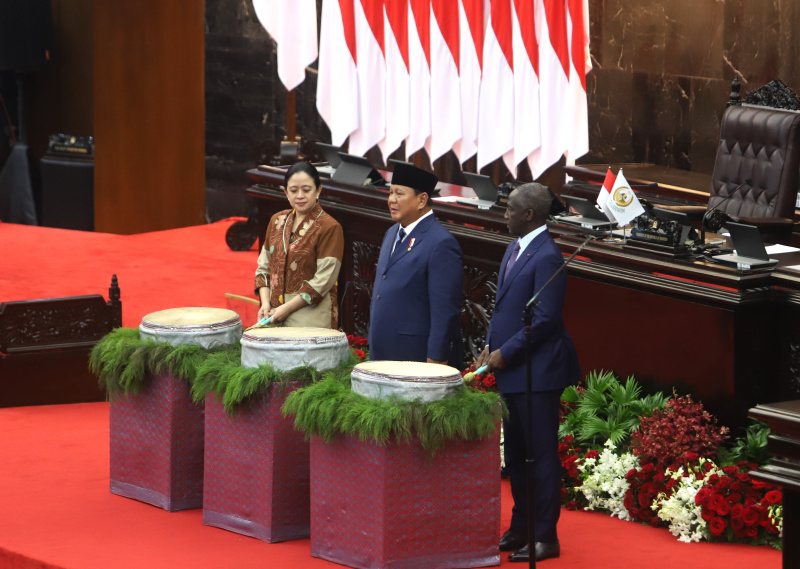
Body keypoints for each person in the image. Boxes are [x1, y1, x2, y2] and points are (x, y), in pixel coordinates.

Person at [477, 182, 580, 563]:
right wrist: (492, 345)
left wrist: (508, 351)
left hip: (536, 374)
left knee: (539, 456)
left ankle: (545, 536)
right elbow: (505, 307)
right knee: (517, 456)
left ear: (529, 215)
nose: (504, 215)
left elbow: (547, 320)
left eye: (510, 210)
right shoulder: (515, 247)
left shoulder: (548, 256)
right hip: (511, 370)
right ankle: (520, 526)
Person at [368, 160, 463, 367]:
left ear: (422, 200)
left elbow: (444, 310)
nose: (391, 200)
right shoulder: (392, 232)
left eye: (399, 194)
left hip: (416, 356)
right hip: (382, 349)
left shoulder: (441, 242)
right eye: (390, 193)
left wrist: (436, 359)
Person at [254, 161, 344, 329]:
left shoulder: (329, 227)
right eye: (294, 191)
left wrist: (286, 309)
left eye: (307, 190)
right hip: (273, 313)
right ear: (286, 192)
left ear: (319, 190)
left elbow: (323, 281)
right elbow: (263, 268)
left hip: (310, 317)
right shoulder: (276, 221)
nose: (300, 196)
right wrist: (265, 304)